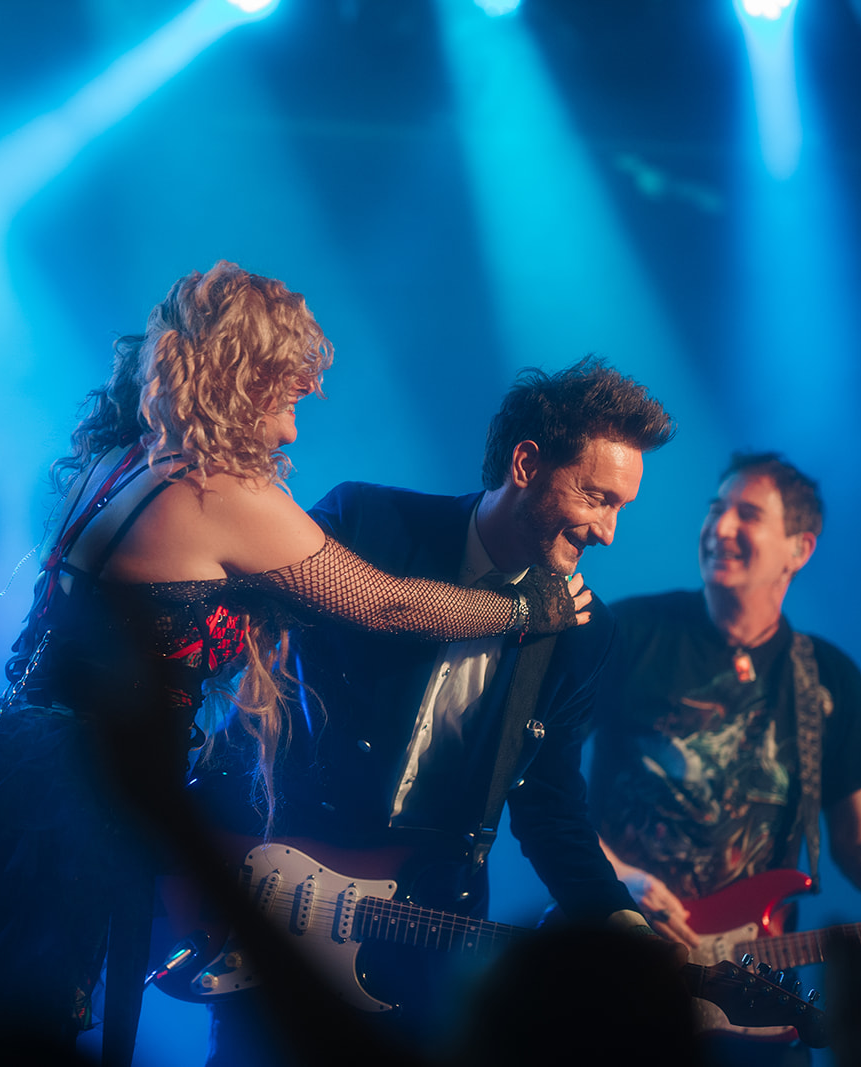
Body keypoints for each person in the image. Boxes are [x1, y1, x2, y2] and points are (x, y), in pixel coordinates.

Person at [0, 262, 587, 1064]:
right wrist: (526, 611)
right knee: (26, 1015)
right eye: (287, 397)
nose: (292, 430)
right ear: (240, 379)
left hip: (10, 764)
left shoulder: (120, 459)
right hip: (74, 795)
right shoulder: (217, 493)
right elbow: (388, 605)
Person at [197, 357, 679, 1065]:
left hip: (424, 941)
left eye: (620, 508)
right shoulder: (365, 520)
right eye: (597, 497)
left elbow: (550, 806)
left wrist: (622, 924)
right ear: (525, 464)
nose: (607, 530)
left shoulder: (587, 631)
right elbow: (245, 678)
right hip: (281, 898)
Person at [588, 452, 861, 1062]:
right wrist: (618, 878)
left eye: (747, 514)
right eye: (715, 510)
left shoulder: (827, 678)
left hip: (750, 996)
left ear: (799, 549)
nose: (720, 528)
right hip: (616, 959)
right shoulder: (629, 630)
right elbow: (545, 785)